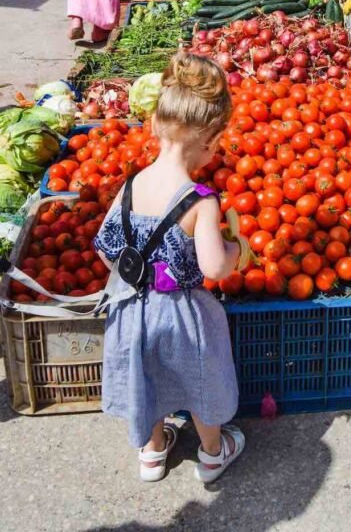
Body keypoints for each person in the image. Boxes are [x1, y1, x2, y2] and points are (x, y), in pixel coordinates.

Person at [93, 52, 244, 484]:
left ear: (156, 125)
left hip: (131, 311)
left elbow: (107, 250)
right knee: (200, 381)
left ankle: (153, 452)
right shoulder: (200, 199)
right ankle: (213, 453)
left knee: (148, 379)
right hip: (183, 315)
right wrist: (238, 253)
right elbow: (215, 267)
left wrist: (137, 274)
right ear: (212, 141)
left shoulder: (131, 185)